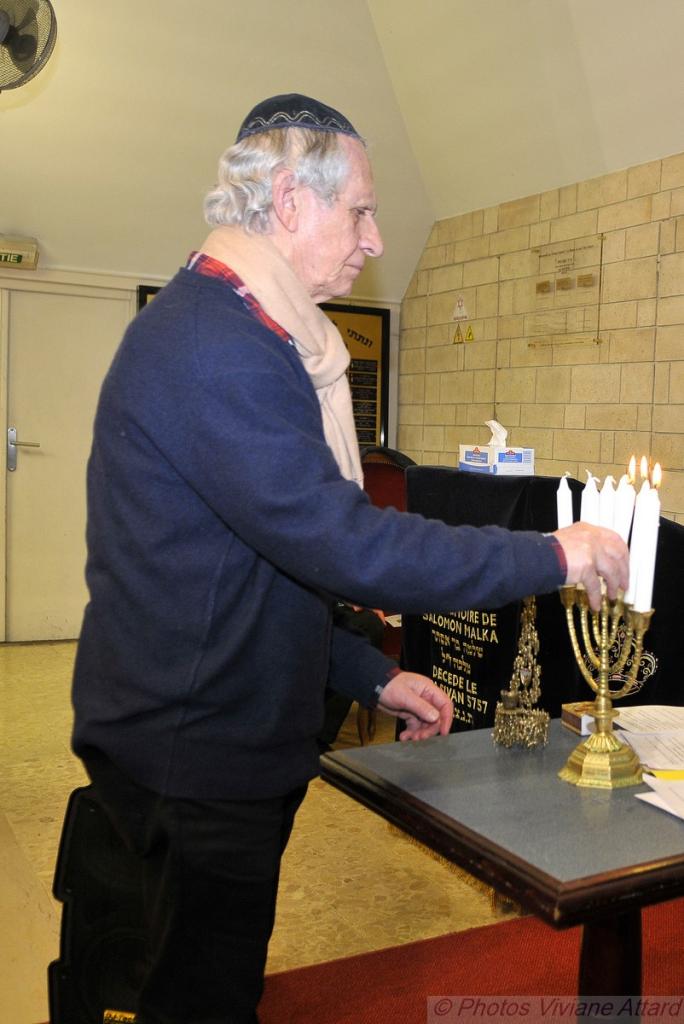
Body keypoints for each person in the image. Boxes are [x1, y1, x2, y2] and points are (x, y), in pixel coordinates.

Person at [69, 93, 629, 1023]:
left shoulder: (246, 329)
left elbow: (254, 569)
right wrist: (553, 553)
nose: (373, 239)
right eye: (361, 210)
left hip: (208, 729)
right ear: (290, 199)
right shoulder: (218, 345)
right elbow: (346, 543)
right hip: (196, 751)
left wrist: (369, 676)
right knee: (200, 997)